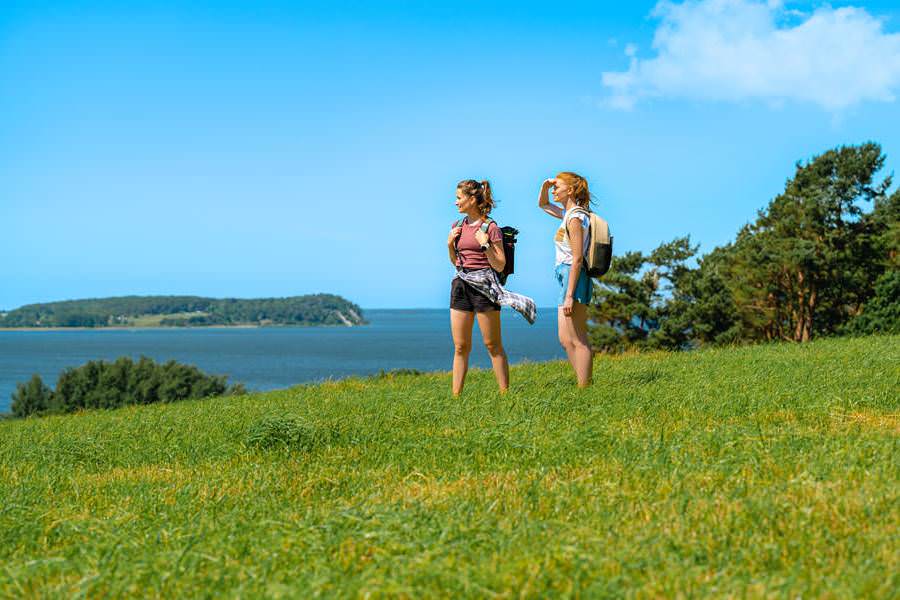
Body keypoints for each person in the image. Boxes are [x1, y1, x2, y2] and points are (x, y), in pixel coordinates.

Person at [447, 179, 536, 397]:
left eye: (459, 198)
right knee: (460, 347)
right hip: (460, 285)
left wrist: (485, 243)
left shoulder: (491, 228)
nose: (455, 202)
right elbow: (456, 262)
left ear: (472, 199)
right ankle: (456, 396)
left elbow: (499, 264)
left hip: (485, 288)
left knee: (492, 344)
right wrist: (450, 244)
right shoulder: (457, 226)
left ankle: (505, 394)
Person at [538, 172, 593, 387]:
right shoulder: (567, 214)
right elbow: (543, 204)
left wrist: (570, 295)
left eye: (557, 187)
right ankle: (583, 382)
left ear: (569, 190)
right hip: (565, 275)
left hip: (574, 276)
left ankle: (585, 387)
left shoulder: (575, 218)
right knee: (565, 339)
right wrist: (545, 185)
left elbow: (578, 258)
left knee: (578, 338)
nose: (553, 190)